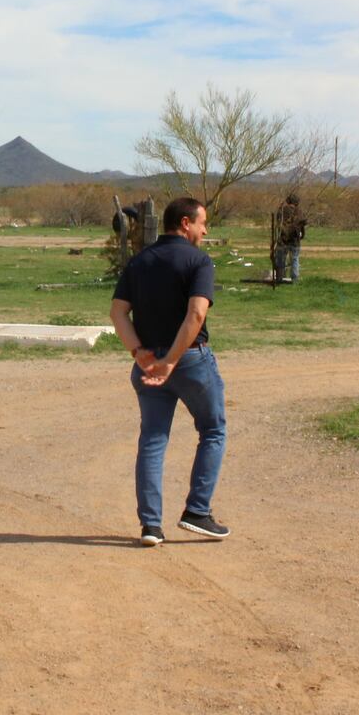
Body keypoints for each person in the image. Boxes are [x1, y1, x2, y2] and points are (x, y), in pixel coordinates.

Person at [109, 196, 229, 547]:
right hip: (190, 360)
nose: (205, 230)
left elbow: (118, 313)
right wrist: (173, 359)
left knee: (152, 439)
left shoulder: (139, 261)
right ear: (186, 223)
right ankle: (197, 511)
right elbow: (195, 316)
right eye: (202, 223)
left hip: (149, 365)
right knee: (213, 430)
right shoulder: (199, 261)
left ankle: (150, 526)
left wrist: (140, 353)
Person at [274, 194, 306, 283]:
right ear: (297, 202)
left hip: (283, 239)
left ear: (288, 201)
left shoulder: (282, 210)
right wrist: (302, 235)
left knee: (281, 259)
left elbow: (278, 223)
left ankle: (279, 278)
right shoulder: (299, 211)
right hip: (295, 240)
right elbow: (302, 224)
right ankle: (295, 279)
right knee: (295, 259)